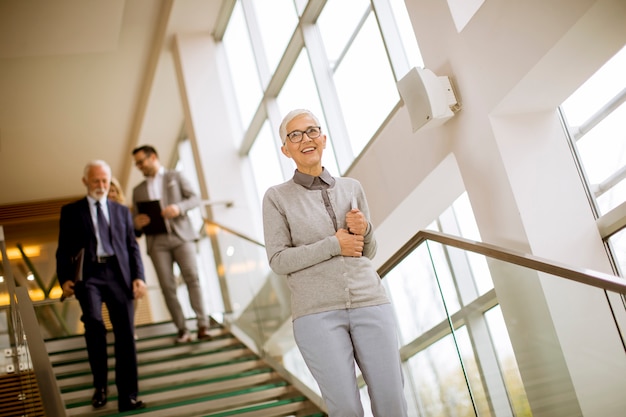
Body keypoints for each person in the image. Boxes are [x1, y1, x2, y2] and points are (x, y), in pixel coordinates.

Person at [262, 109, 408, 417]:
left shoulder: (352, 187)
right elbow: (278, 259)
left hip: (371, 302)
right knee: (345, 410)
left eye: (312, 131)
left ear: (323, 138)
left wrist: (364, 230)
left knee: (392, 402)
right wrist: (334, 244)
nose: (306, 139)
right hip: (316, 316)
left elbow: (367, 251)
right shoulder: (276, 198)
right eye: (295, 135)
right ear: (285, 149)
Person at [56, 160, 147, 412]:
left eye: (105, 180)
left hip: (119, 275)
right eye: (96, 180)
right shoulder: (71, 211)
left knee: (126, 336)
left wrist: (139, 277)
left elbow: (132, 247)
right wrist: (64, 279)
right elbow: (63, 250)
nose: (101, 185)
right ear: (86, 181)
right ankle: (101, 387)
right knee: (94, 324)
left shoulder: (121, 211)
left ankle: (128, 396)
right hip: (90, 276)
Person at [131, 145, 211, 343]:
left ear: (153, 157)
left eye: (142, 161)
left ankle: (203, 325)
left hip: (181, 236)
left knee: (192, 278)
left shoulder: (176, 176)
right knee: (167, 287)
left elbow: (194, 198)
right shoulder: (138, 190)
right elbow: (135, 221)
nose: (140, 166)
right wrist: (137, 222)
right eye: (137, 164)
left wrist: (178, 207)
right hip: (157, 242)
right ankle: (183, 330)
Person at [108, 177, 140, 340]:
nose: (111, 194)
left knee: (133, 296)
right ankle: (123, 331)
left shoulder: (124, 211)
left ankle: (129, 327)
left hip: (127, 262)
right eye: (109, 191)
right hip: (110, 265)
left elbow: (133, 240)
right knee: (115, 301)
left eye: (114, 190)